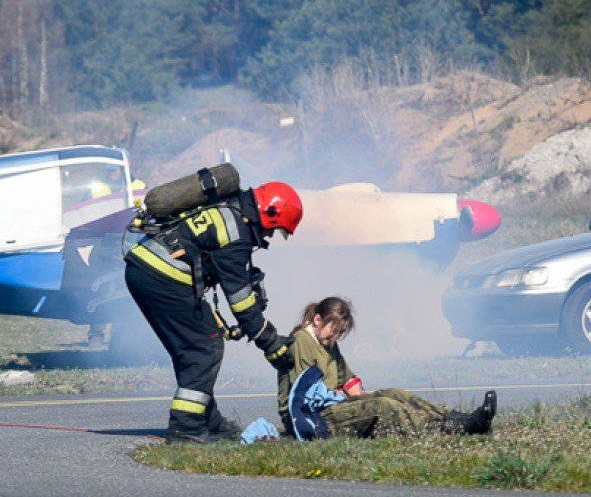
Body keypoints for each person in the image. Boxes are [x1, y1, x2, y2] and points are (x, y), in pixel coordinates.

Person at [125, 179, 303, 443]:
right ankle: (185, 429)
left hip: (145, 269)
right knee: (204, 349)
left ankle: (209, 420)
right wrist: (270, 343)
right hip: (163, 277)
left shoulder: (229, 208)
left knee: (193, 346)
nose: (268, 238)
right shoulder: (237, 234)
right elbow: (240, 300)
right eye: (273, 231)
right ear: (270, 216)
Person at [277, 296, 496, 439]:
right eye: (334, 331)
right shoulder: (301, 342)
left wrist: (357, 396)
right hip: (312, 418)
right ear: (317, 320)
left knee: (392, 394)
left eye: (340, 333)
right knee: (382, 406)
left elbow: (347, 378)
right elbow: (305, 397)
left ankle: (456, 419)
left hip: (331, 406)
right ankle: (447, 430)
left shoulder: (327, 343)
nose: (335, 337)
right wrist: (347, 398)